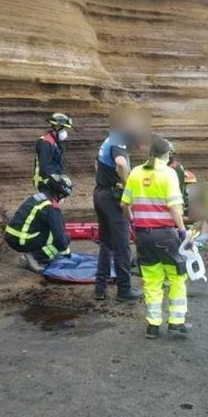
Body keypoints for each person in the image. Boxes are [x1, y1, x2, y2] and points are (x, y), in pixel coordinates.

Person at [121, 135, 189, 339]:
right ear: (167, 154)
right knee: (177, 278)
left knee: (152, 282)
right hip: (166, 236)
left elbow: (124, 205)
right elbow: (174, 207)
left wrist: (133, 222)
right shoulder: (168, 174)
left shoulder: (135, 173)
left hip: (143, 236)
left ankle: (153, 326)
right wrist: (183, 231)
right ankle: (176, 323)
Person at [92, 107, 148, 302]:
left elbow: (97, 165)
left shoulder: (108, 140)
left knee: (106, 243)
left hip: (100, 194)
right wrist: (128, 187)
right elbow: (121, 164)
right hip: (112, 198)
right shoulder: (118, 142)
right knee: (122, 245)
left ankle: (100, 288)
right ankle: (124, 290)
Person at [5, 174, 74, 272]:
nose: (63, 199)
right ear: (59, 193)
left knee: (52, 232)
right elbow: (59, 237)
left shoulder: (39, 197)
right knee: (61, 237)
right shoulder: (50, 207)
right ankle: (33, 257)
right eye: (64, 195)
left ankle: (35, 254)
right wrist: (66, 253)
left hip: (12, 236)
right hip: (21, 239)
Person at [33, 113, 72, 192]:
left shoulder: (55, 142)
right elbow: (46, 166)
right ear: (56, 127)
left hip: (51, 180)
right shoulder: (46, 142)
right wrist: (57, 181)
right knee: (49, 203)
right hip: (45, 183)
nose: (65, 132)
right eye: (64, 128)